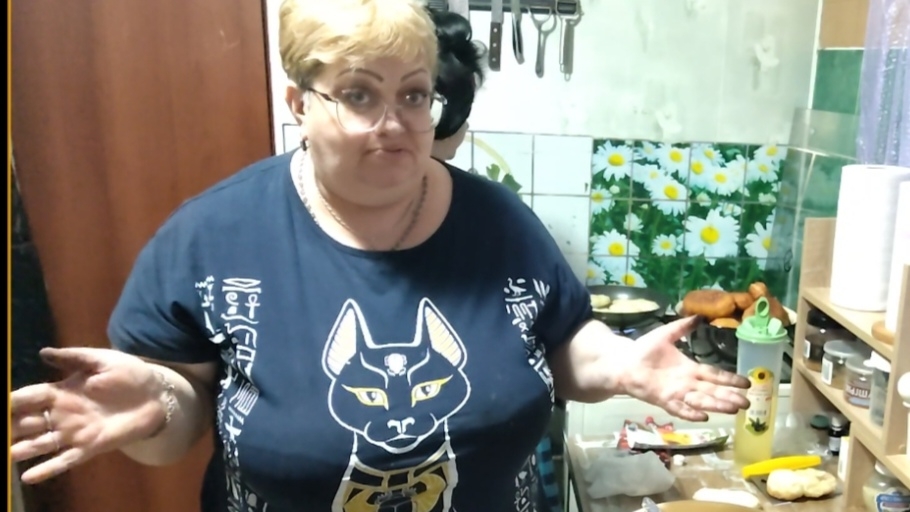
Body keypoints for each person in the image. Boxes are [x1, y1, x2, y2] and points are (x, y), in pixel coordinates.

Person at [10, 1, 751, 511]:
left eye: (415, 95)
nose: (394, 123)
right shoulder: (211, 236)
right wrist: (159, 405)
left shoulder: (499, 222)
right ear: (300, 104)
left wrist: (619, 365)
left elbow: (561, 344)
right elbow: (182, 416)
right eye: (359, 96)